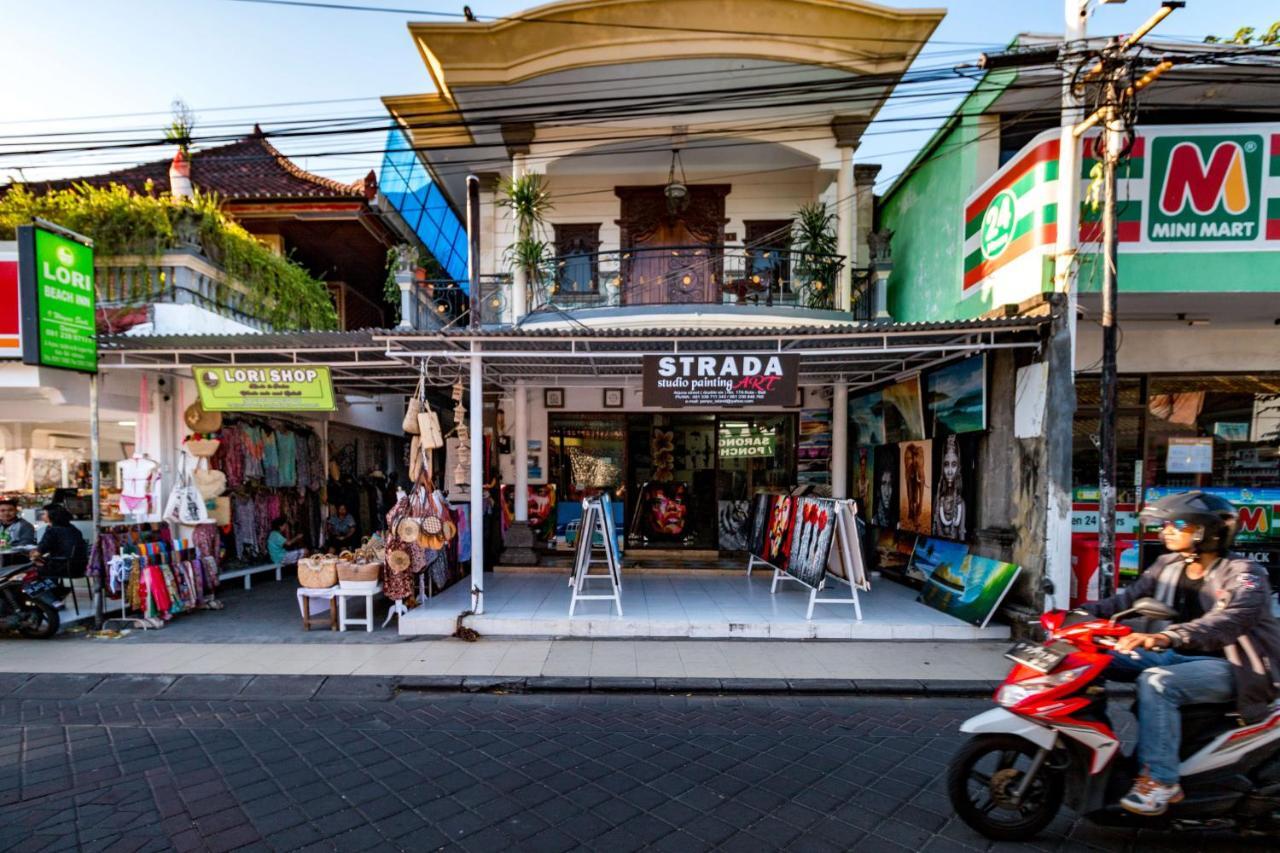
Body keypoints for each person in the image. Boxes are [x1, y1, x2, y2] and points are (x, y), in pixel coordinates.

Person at [1080, 491, 1280, 816]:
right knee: (1097, 658)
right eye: (1165, 525)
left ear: (1207, 530)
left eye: (1177, 524)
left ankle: (1161, 781)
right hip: (1180, 653)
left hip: (1235, 667)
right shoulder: (1167, 564)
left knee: (1157, 682)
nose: (1166, 531)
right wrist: (1078, 616)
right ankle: (1096, 750)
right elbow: (1126, 600)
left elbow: (1230, 620)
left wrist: (1167, 637)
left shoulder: (1245, 573)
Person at [31, 504, 88, 579]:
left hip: (62, 567)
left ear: (51, 516)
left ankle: (47, 589)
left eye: (44, 514)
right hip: (79, 568)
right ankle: (56, 588)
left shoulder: (52, 530)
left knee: (29, 569)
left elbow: (39, 552)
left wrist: (32, 556)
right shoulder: (73, 529)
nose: (42, 516)